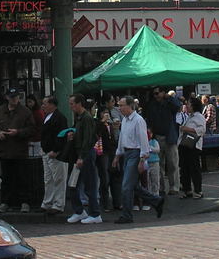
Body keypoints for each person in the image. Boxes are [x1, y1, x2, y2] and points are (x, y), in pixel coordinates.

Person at [113, 94, 164, 224]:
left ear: (130, 106)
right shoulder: (124, 120)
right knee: (133, 185)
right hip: (127, 153)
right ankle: (156, 200)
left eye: (121, 105)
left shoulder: (138, 120)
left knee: (126, 186)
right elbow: (122, 139)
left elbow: (143, 140)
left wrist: (142, 159)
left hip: (135, 154)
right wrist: (117, 155)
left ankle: (127, 215)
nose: (119, 108)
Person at [0, 87, 35, 214]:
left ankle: (24, 202)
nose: (15, 99)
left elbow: (32, 129)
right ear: (7, 97)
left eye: (16, 97)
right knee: (6, 178)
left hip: (20, 151)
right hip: (4, 150)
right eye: (12, 97)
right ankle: (5, 202)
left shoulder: (25, 112)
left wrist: (18, 132)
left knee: (22, 177)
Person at [66, 94, 102, 224]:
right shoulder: (80, 118)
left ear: (79, 103)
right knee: (73, 184)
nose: (71, 106)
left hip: (85, 154)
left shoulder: (86, 118)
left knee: (88, 184)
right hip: (80, 154)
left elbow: (88, 139)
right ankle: (80, 211)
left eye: (72, 104)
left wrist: (82, 156)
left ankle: (94, 213)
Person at [142, 86, 181, 195]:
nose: (156, 95)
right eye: (154, 94)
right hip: (157, 137)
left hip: (170, 137)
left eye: (158, 93)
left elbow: (178, 106)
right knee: (159, 164)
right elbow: (148, 118)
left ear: (163, 93)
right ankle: (161, 187)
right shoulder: (152, 105)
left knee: (173, 163)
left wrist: (169, 97)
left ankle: (174, 186)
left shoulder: (169, 103)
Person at [39, 95, 68, 214]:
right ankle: (48, 201)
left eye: (45, 103)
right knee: (49, 179)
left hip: (54, 153)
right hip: (47, 151)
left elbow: (61, 136)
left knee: (58, 178)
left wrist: (56, 150)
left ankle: (58, 204)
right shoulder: (48, 116)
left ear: (52, 104)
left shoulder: (60, 118)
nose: (43, 106)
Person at [178, 96, 206, 199]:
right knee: (185, 168)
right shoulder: (189, 116)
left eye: (188, 104)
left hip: (193, 145)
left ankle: (198, 190)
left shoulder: (199, 116)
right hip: (185, 144)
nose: (187, 106)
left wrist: (187, 129)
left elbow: (202, 130)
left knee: (194, 168)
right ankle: (187, 189)